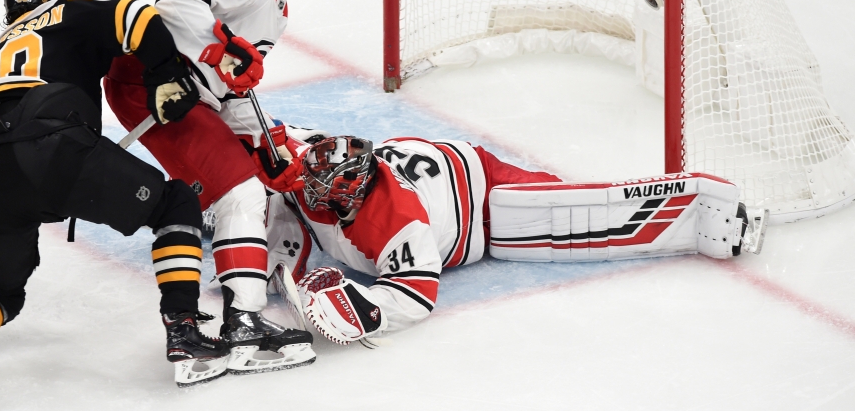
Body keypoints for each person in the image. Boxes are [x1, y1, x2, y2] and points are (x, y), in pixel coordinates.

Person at [0, 0, 228, 395]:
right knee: (175, 204)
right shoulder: (67, 11)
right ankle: (183, 331)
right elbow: (138, 15)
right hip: (54, 144)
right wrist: (164, 72)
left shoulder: (0, 45)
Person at [103, 0, 332, 374]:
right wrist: (218, 51)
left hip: (184, 96)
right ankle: (243, 319)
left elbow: (230, 92)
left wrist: (265, 144)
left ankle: (238, 313)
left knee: (248, 186)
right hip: (156, 83)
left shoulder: (276, 4)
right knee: (241, 195)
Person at [265, 131, 766, 344]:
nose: (307, 187)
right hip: (438, 163)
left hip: (479, 187)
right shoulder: (315, 160)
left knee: (574, 204)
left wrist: (367, 310)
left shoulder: (400, 223)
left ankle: (711, 214)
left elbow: (416, 297)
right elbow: (273, 141)